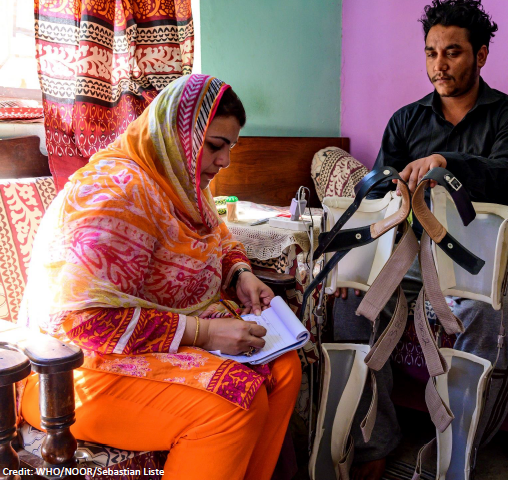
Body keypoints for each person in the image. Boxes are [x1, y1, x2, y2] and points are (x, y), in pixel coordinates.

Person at [19, 74, 302, 480]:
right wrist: (204, 334)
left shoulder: (182, 182)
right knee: (235, 404)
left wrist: (240, 273)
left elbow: (219, 239)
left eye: (231, 148)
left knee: (285, 368)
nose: (225, 161)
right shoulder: (117, 194)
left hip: (139, 345)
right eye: (216, 146)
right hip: (71, 371)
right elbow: (84, 323)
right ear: (176, 136)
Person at [332, 1, 508, 479]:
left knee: (490, 323)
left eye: (453, 53)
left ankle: (456, 451)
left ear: (481, 55)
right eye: (430, 53)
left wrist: (446, 162)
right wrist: (353, 263)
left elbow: (506, 173)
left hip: (478, 253)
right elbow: (382, 196)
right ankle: (375, 442)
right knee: (348, 305)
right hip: (409, 249)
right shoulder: (405, 121)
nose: (438, 65)